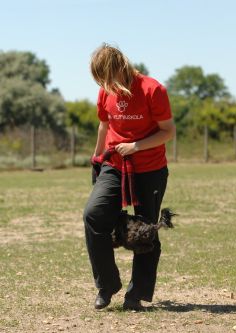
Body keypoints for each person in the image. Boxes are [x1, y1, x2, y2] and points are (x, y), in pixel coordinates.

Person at [83, 44, 176, 311]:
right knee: (94, 215)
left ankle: (136, 295)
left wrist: (137, 146)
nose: (104, 84)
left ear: (119, 68)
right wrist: (97, 158)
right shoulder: (105, 92)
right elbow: (104, 124)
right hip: (115, 165)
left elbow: (167, 131)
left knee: (146, 228)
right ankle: (107, 285)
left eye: (106, 76)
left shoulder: (152, 89)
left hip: (150, 167)